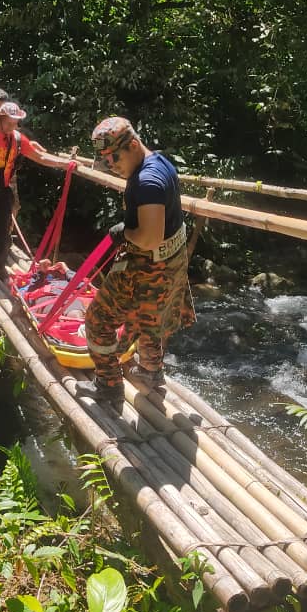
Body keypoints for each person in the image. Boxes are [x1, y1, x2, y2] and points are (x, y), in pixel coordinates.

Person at [75, 117, 195, 402]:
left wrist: (124, 233)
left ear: (132, 145)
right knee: (152, 316)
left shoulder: (147, 182)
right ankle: (151, 371)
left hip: (146, 266)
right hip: (172, 262)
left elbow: (148, 238)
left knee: (98, 320)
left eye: (114, 157)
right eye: (105, 158)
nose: (111, 165)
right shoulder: (160, 161)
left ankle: (109, 385)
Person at [0, 101, 68, 280]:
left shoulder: (17, 139)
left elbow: (39, 157)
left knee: (4, 232)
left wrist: (65, 164)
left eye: (16, 123)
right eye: (9, 123)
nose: (13, 127)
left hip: (2, 191)